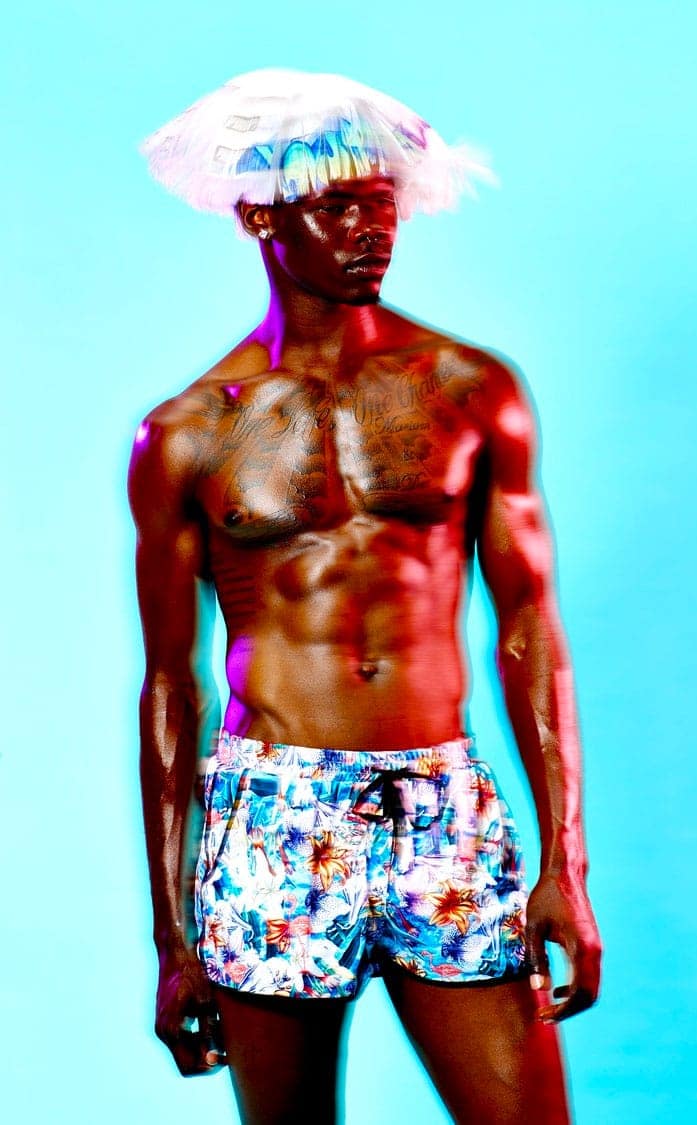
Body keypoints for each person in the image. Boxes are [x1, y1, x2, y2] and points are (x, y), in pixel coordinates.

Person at [130, 69, 601, 1124]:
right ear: (260, 216)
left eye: (382, 205)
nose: (369, 230)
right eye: (337, 206)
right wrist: (174, 938)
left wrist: (565, 863)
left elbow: (530, 627)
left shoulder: (468, 389)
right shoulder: (191, 431)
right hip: (275, 813)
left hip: (441, 803)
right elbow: (170, 684)